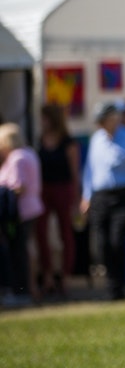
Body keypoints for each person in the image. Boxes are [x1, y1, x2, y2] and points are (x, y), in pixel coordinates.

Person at [80, 102, 125, 300]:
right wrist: (86, 196)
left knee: (117, 240)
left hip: (123, 195)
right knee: (102, 244)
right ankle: (112, 286)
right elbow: (89, 171)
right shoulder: (97, 140)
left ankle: (120, 285)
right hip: (101, 197)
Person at [34, 103, 81, 299]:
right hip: (44, 189)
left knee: (65, 233)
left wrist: (77, 199)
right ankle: (47, 276)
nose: (42, 122)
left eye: (45, 118)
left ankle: (66, 276)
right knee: (41, 233)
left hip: (63, 188)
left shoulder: (68, 142)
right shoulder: (41, 140)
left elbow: (74, 173)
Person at [0, 123, 43, 307]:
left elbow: (19, 186)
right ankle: (30, 288)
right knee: (28, 249)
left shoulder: (16, 158)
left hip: (20, 211)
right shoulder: (29, 153)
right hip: (32, 207)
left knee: (19, 252)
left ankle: (22, 290)